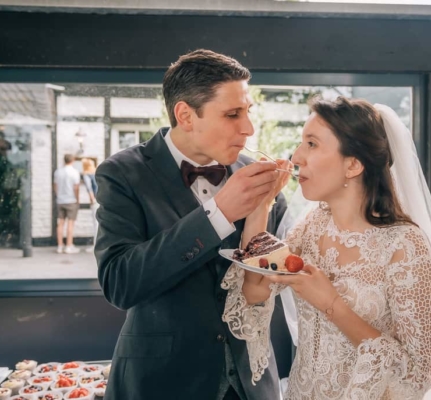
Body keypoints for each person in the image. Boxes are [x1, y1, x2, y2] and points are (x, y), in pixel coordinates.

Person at [222, 97, 431, 399]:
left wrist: (331, 303)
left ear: (353, 165)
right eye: (301, 143)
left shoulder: (405, 246)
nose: (296, 156)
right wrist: (261, 206)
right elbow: (253, 291)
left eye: (311, 144)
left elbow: (418, 372)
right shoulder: (313, 226)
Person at [95, 49, 292, 400]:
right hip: (162, 383)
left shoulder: (257, 178)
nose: (248, 128)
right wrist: (218, 213)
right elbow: (119, 283)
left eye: (248, 112)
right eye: (233, 114)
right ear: (185, 114)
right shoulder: (122, 173)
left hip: (250, 383)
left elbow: (265, 280)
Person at [53, 153, 81, 254]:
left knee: (60, 223)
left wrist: (58, 195)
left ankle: (60, 246)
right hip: (71, 200)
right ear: (72, 160)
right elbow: (76, 188)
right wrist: (77, 199)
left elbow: (55, 186)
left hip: (60, 200)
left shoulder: (58, 172)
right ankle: (69, 246)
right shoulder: (74, 172)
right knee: (70, 223)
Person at [81, 158, 98, 252]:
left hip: (95, 201)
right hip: (102, 201)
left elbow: (89, 189)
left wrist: (93, 200)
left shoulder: (86, 175)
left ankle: (96, 245)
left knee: (96, 224)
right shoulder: (97, 173)